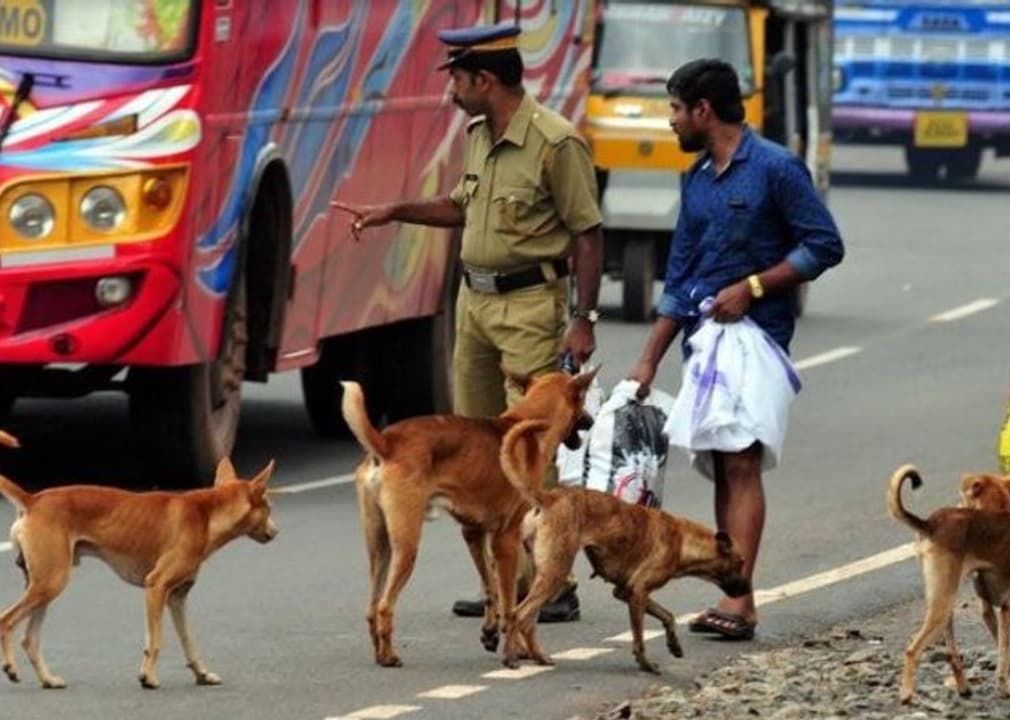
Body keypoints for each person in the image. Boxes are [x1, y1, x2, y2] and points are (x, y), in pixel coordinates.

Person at [332, 22, 603, 621]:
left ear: (485, 79)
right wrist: (393, 211)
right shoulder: (481, 134)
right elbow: (462, 206)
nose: (450, 92)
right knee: (480, 446)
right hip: (474, 304)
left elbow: (587, 233)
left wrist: (582, 318)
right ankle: (501, 584)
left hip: (530, 304)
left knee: (532, 448)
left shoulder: (557, 143)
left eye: (456, 79)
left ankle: (549, 586)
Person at [627, 59, 844, 640]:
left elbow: (824, 246)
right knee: (724, 466)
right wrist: (648, 359)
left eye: (675, 108)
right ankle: (731, 590)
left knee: (743, 460)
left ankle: (742, 602)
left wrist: (753, 288)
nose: (670, 121)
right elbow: (679, 277)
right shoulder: (697, 181)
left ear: (703, 110)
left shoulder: (775, 168)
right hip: (705, 343)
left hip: (761, 341)